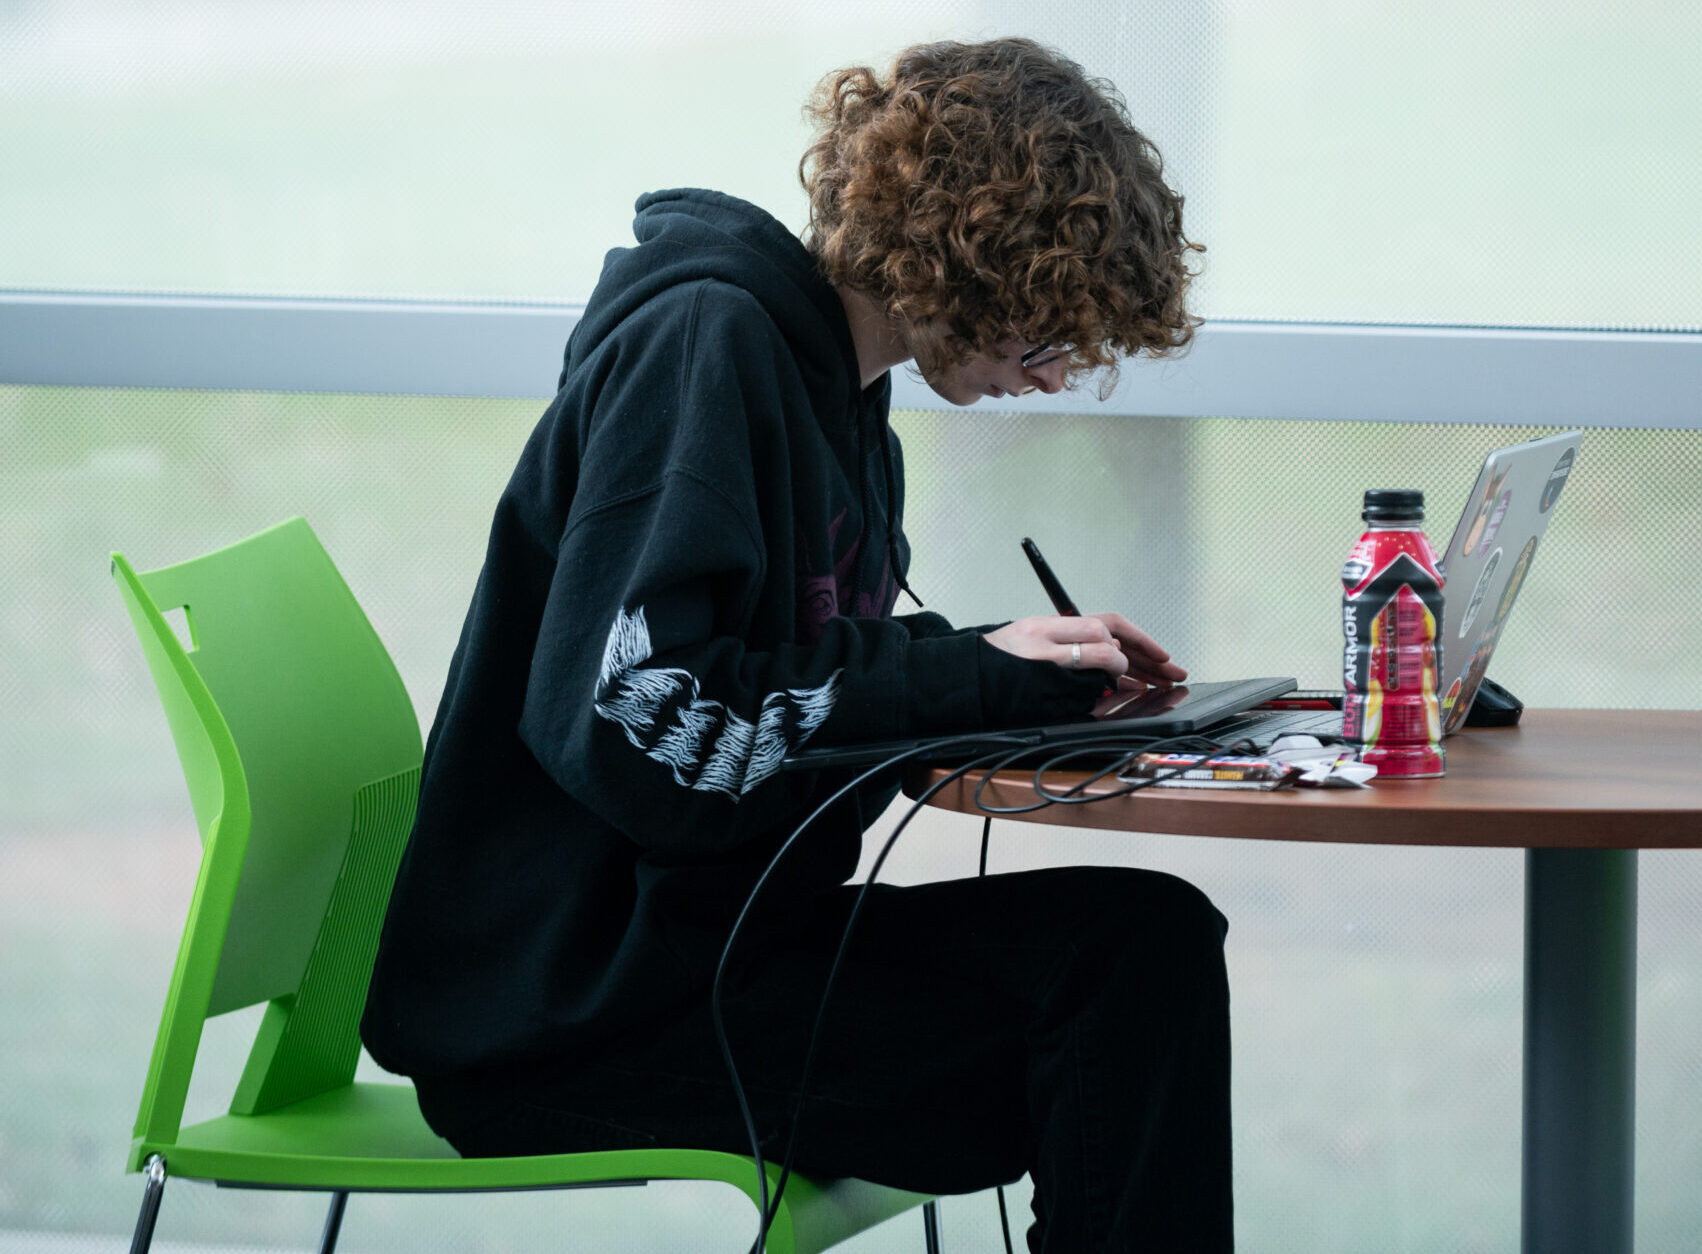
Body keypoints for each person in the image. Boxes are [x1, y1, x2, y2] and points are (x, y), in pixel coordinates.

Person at [362, 36, 1232, 1253]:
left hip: (703, 956)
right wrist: (969, 674)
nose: (1052, 374)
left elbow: (777, 666)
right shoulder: (704, 346)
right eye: (1044, 333)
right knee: (1120, 998)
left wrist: (1003, 656)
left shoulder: (838, 401)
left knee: (1139, 952)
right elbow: (647, 722)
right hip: (576, 1013)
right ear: (967, 258)